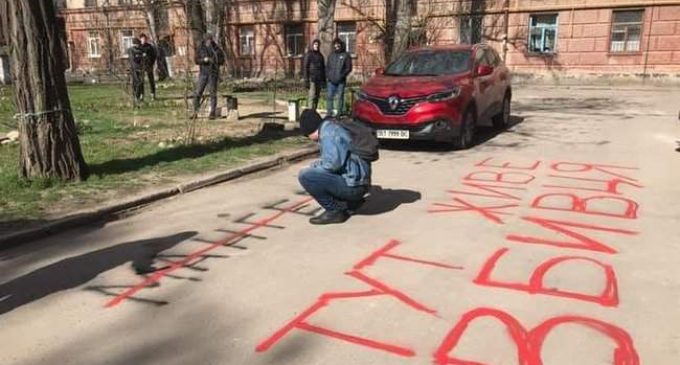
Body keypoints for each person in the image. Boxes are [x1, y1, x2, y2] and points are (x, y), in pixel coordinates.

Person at [298, 109, 372, 225]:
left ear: (310, 130)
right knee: (316, 172)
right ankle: (351, 202)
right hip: (360, 182)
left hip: (355, 186)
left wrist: (312, 168)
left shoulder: (328, 134)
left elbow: (332, 165)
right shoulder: (332, 127)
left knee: (306, 176)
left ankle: (334, 211)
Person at [193, 33, 225, 119]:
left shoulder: (217, 49)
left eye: (210, 40)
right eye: (207, 40)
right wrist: (203, 60)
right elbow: (196, 60)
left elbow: (222, 60)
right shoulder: (200, 48)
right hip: (203, 73)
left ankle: (212, 113)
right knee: (197, 93)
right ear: (205, 40)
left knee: (212, 93)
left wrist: (214, 60)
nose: (209, 42)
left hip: (213, 74)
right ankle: (195, 112)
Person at [326, 38, 352, 116]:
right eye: (335, 44)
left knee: (340, 97)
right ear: (334, 45)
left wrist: (342, 75)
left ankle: (339, 113)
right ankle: (329, 113)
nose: (336, 45)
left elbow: (349, 68)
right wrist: (328, 75)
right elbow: (327, 67)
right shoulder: (331, 55)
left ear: (340, 45)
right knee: (330, 97)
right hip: (331, 81)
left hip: (341, 81)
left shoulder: (345, 55)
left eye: (338, 44)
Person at [303, 39, 325, 111]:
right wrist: (306, 79)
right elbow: (305, 67)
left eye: (318, 45)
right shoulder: (309, 54)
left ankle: (314, 111)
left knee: (317, 96)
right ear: (313, 45)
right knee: (312, 95)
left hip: (319, 78)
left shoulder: (320, 56)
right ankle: (310, 112)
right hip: (311, 78)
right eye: (315, 45)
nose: (316, 46)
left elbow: (323, 68)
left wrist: (323, 80)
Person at [138, 34, 157, 101]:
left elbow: (154, 56)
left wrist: (151, 63)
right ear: (140, 39)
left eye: (145, 39)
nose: (144, 40)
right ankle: (141, 95)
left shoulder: (149, 47)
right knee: (141, 81)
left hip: (149, 66)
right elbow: (137, 56)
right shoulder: (139, 47)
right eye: (142, 39)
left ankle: (153, 94)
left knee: (151, 80)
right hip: (141, 66)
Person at [127, 37, 145, 105]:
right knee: (136, 83)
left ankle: (139, 96)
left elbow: (143, 58)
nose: (138, 45)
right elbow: (134, 59)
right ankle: (135, 97)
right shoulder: (131, 50)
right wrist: (140, 56)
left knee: (140, 83)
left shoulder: (140, 50)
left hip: (140, 68)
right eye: (137, 44)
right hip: (134, 69)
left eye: (139, 44)